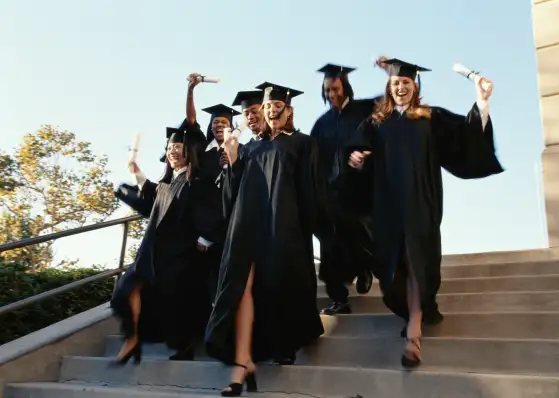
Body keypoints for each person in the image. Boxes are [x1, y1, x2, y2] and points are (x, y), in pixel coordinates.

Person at [346, 57, 503, 368]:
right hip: (388, 207)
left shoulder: (430, 119)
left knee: (417, 261)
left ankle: (413, 335)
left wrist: (482, 102)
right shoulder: (375, 123)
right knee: (394, 269)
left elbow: (466, 138)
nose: (401, 87)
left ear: (415, 86)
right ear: (388, 88)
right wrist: (355, 159)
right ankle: (413, 315)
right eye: (395, 83)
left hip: (421, 205)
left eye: (406, 82)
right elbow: (355, 151)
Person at [205, 82, 331, 396]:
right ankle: (243, 359)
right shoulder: (248, 149)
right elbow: (231, 195)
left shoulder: (303, 143)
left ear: (289, 111)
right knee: (240, 286)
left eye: (278, 107)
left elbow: (310, 190)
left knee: (277, 283)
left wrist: (310, 227)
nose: (272, 111)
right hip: (247, 224)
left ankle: (273, 348)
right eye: (268, 107)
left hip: (283, 225)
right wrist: (232, 160)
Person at [111, 127, 224, 364]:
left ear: (189, 152)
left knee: (173, 302)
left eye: (178, 148)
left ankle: (183, 345)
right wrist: (135, 172)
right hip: (153, 252)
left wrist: (206, 238)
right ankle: (132, 338)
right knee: (125, 288)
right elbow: (151, 198)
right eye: (170, 148)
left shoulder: (196, 183)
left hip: (180, 255)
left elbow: (213, 212)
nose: (173, 151)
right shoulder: (165, 184)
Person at [310, 63, 379, 316]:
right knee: (329, 245)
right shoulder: (321, 124)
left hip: (362, 191)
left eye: (335, 89)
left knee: (361, 235)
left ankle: (364, 267)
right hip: (332, 194)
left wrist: (368, 154)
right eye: (328, 90)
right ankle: (338, 298)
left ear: (345, 87)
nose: (332, 95)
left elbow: (385, 128)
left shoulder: (365, 110)